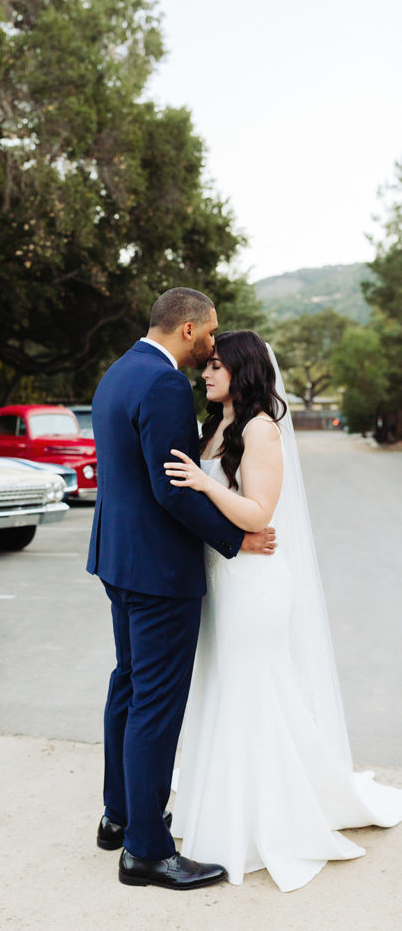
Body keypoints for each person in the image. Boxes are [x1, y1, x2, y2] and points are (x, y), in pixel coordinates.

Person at [164, 330, 402, 892]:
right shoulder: (219, 425)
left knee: (254, 688)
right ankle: (228, 803)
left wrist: (202, 481)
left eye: (216, 366)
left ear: (241, 371)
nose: (206, 373)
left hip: (254, 583)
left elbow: (259, 512)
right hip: (223, 578)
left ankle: (265, 819)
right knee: (228, 686)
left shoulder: (259, 428)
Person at [87, 289, 276, 891]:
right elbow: (172, 488)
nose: (213, 344)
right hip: (158, 572)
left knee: (129, 685)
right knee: (155, 704)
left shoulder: (118, 372)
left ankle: (119, 816)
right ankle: (145, 850)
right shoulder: (165, 384)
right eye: (210, 333)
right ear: (188, 328)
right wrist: (234, 539)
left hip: (118, 561)